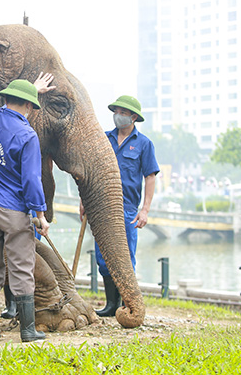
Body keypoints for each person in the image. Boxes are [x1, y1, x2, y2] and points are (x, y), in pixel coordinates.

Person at [0, 73, 54, 343]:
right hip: (13, 211)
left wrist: (29, 90)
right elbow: (32, 180)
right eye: (32, 106)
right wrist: (41, 216)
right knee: (21, 267)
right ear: (28, 106)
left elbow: (8, 106)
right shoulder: (27, 135)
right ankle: (27, 330)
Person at [82, 95, 159, 317]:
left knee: (126, 257)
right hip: (101, 206)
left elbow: (150, 177)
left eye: (123, 113)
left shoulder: (144, 144)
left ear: (133, 117)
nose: (119, 116)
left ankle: (128, 304)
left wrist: (145, 210)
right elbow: (90, 171)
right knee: (102, 256)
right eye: (116, 111)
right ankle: (110, 304)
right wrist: (83, 201)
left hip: (126, 209)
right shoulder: (103, 139)